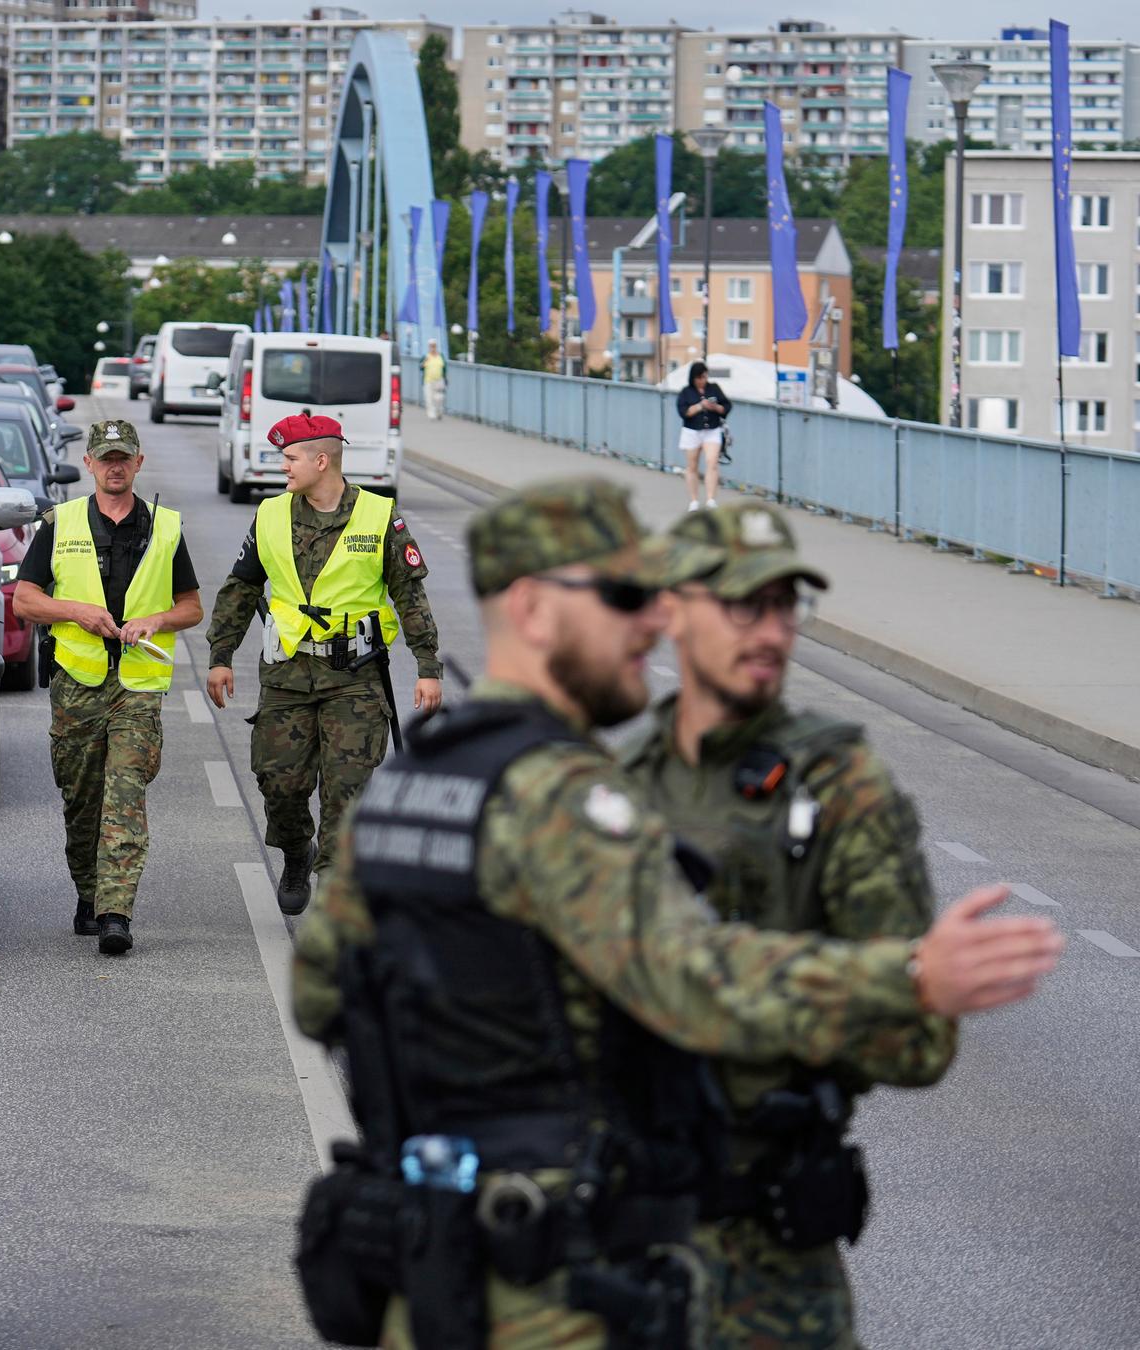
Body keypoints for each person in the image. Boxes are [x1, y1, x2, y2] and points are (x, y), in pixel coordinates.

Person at [289, 478, 1063, 1350]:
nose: (650, 622)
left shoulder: (409, 785)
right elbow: (690, 977)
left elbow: (322, 997)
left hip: (438, 1272)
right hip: (560, 1286)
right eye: (628, 598)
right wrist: (911, 974)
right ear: (536, 611)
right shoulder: (564, 795)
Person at [623, 504, 951, 1348]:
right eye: (743, 606)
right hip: (612, 1255)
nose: (770, 631)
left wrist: (716, 1001)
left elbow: (917, 1039)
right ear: (670, 611)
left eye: (784, 607)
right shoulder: (611, 795)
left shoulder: (840, 787)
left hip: (769, 1276)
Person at [205, 413, 445, 915]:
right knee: (280, 783)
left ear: (321, 460)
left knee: (348, 791)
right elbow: (241, 587)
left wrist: (427, 666)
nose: (282, 467)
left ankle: (335, 897)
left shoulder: (380, 517)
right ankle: (297, 851)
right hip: (287, 675)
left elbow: (409, 594)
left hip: (355, 680)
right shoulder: (270, 514)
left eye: (289, 458)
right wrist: (220, 656)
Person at [11, 419, 203, 955]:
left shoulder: (164, 527)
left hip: (137, 685)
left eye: (124, 457)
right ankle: (88, 891)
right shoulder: (61, 523)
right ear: (91, 464)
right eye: (105, 458)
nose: (115, 466)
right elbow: (25, 600)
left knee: (125, 796)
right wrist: (76, 612)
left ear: (139, 463)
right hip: (77, 682)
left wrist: (157, 621)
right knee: (82, 799)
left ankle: (115, 911)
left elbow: (192, 607)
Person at [676, 361, 729, 511]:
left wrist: (716, 407)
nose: (702, 381)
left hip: (711, 430)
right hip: (692, 431)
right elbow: (683, 412)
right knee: (692, 466)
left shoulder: (714, 388)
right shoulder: (686, 392)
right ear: (693, 378)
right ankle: (694, 500)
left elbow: (726, 406)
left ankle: (711, 499)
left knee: (712, 462)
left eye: (705, 377)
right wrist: (700, 406)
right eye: (699, 377)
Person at [421, 339, 447, 420]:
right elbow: (421, 367)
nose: (433, 348)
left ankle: (439, 411)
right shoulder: (426, 356)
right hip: (428, 380)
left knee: (439, 398)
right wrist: (424, 362)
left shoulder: (440, 356)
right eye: (431, 346)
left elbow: (444, 368)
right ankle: (431, 414)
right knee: (429, 398)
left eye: (434, 346)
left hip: (439, 380)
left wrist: (445, 378)